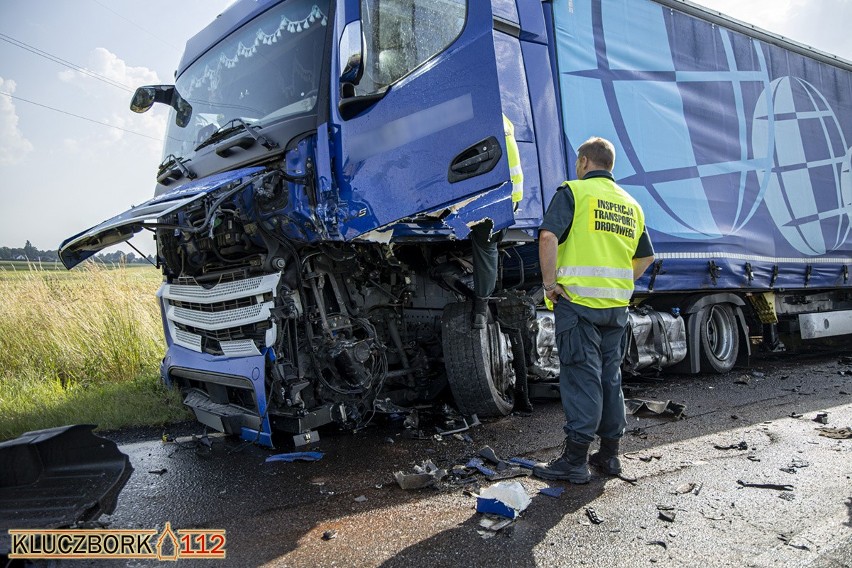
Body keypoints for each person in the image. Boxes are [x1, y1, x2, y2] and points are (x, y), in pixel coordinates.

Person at [533, 137, 655, 483]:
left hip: (578, 305)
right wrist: (617, 283)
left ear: (585, 162)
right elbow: (646, 257)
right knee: (609, 378)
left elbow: (547, 237)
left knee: (581, 378)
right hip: (616, 308)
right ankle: (611, 456)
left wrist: (549, 284)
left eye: (577, 161)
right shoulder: (630, 203)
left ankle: (574, 461)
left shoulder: (574, 192)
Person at [470, 113, 524, 329]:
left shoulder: (477, 118)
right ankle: (481, 306)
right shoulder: (502, 117)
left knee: (485, 246)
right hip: (510, 198)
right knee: (487, 246)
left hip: (496, 198)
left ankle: (481, 308)